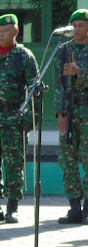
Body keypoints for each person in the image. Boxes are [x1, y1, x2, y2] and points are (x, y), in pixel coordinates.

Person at [55, 9, 88, 225]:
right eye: (74, 25)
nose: (77, 29)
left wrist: (79, 73)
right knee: (67, 160)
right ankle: (74, 207)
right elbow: (58, 83)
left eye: (81, 25)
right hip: (68, 108)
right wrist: (60, 111)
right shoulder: (63, 50)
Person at [0, 14, 38, 224]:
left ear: (15, 32)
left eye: (5, 31)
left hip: (13, 116)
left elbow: (35, 90)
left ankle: (12, 207)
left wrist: (32, 118)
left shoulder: (24, 56)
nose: (1, 34)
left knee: (14, 163)